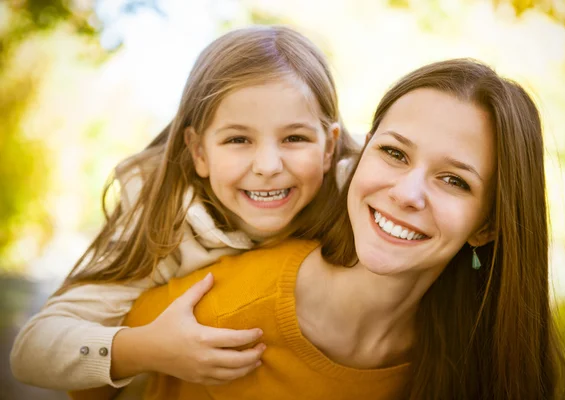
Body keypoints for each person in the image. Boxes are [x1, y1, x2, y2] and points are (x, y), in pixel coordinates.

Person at [72, 59, 565, 399]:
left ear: (488, 226)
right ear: (357, 159)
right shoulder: (216, 307)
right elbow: (84, 378)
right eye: (394, 153)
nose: (408, 193)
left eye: (454, 180)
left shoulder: (480, 366)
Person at [10, 25, 359, 393]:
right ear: (199, 152)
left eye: (294, 138)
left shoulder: (357, 200)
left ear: (328, 147)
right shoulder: (165, 223)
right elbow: (32, 350)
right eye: (238, 139)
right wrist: (148, 350)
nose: (268, 165)